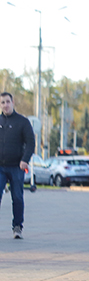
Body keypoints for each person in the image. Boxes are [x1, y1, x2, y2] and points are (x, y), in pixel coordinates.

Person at [0, 92, 35, 239]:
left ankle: (17, 227)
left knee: (17, 198)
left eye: (7, 102)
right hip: (0, 167)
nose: (5, 105)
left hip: (16, 167)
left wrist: (25, 159)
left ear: (13, 102)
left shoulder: (22, 122)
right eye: (2, 102)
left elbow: (30, 142)